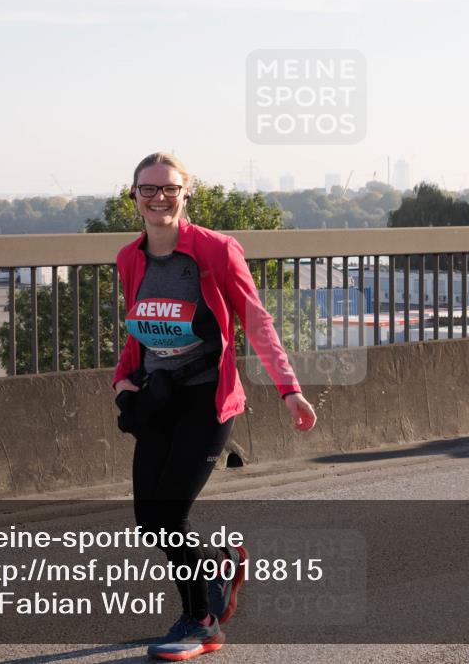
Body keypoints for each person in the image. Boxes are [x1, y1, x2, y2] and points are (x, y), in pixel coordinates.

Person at [112, 152, 317, 661]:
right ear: (133, 196)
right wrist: (122, 381)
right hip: (157, 398)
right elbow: (141, 329)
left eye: (169, 188)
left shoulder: (216, 250)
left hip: (208, 399)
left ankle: (201, 622)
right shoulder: (129, 258)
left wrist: (289, 389)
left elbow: (257, 323)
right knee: (148, 520)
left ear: (186, 193)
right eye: (148, 189)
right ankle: (220, 569)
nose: (159, 198)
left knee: (170, 516)